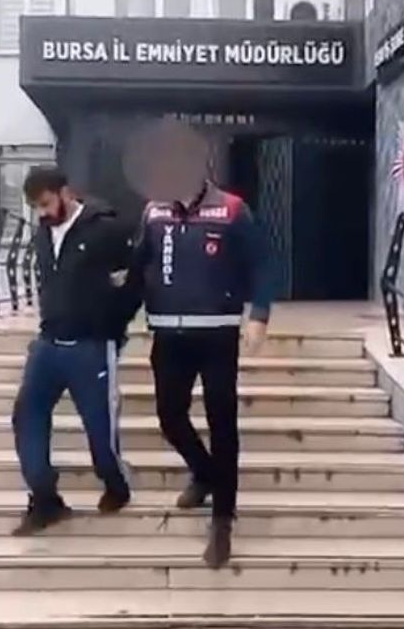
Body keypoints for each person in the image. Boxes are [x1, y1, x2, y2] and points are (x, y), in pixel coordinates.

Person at [121, 118, 274, 569]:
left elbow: (262, 265)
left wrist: (259, 316)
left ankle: (222, 522)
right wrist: (112, 311)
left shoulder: (232, 210)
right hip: (169, 335)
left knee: (223, 425)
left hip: (217, 334)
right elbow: (137, 270)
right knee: (170, 416)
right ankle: (205, 473)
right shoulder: (153, 213)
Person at [11, 165, 137, 536]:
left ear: (66, 193)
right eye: (36, 207)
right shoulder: (42, 233)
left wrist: (113, 324)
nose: (43, 213)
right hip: (48, 343)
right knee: (26, 414)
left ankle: (115, 484)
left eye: (46, 203)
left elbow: (133, 280)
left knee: (99, 428)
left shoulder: (106, 229)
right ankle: (45, 498)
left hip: (91, 345)